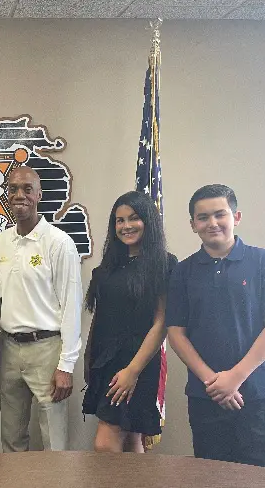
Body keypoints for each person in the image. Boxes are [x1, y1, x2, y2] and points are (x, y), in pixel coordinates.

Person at [166, 184, 265, 468]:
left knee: (256, 478)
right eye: (203, 217)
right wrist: (213, 382)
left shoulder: (264, 261)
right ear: (193, 224)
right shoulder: (183, 272)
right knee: (210, 476)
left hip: (259, 394)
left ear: (236, 217)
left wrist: (234, 377)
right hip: (205, 395)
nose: (212, 223)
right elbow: (176, 333)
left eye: (220, 214)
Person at [0, 166, 82, 452]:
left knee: (53, 438)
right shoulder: (1, 242)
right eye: (13, 189)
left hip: (46, 348)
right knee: (11, 435)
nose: (20, 195)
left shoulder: (58, 243)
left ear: (39, 195)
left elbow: (71, 306)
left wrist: (66, 366)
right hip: (9, 347)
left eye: (27, 189)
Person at [81, 191, 177, 453]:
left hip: (138, 364)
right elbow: (100, 317)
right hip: (106, 363)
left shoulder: (163, 264)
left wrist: (132, 371)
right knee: (132, 438)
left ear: (148, 221)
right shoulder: (106, 268)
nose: (126, 226)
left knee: (105, 443)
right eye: (119, 220)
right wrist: (90, 362)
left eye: (134, 218)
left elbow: (161, 324)